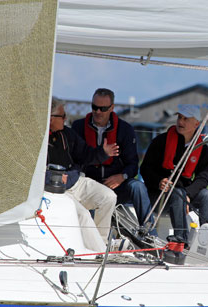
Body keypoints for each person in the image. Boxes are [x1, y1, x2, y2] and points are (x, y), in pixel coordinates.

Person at [72, 88, 156, 234]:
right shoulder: (78, 127)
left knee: (138, 187)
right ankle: (92, 240)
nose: (97, 112)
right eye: (94, 107)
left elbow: (133, 165)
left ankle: (150, 234)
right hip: (90, 185)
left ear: (112, 108)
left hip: (118, 185)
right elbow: (75, 159)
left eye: (103, 108)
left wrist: (122, 177)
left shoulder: (125, 130)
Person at [47, 101, 120, 249]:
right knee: (83, 215)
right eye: (63, 116)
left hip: (75, 181)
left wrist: (103, 153)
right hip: (55, 190)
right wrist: (53, 178)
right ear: (50, 118)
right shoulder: (37, 140)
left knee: (109, 197)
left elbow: (85, 154)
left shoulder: (67, 134)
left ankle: (102, 242)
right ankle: (99, 252)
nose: (66, 119)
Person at [140, 104, 208, 244]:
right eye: (179, 117)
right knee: (178, 193)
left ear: (196, 124)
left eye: (186, 119)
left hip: (183, 194)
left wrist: (188, 194)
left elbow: (203, 178)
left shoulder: (203, 149)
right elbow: (145, 169)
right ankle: (181, 240)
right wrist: (159, 181)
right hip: (158, 195)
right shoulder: (160, 142)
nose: (180, 122)